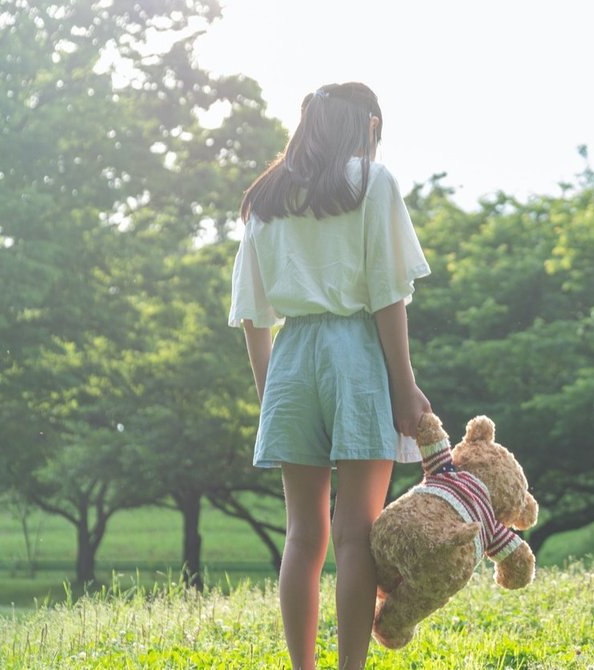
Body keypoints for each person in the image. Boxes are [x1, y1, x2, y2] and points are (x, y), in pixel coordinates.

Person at [228, 81, 431, 670]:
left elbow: (253, 311)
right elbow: (389, 293)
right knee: (356, 534)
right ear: (368, 125)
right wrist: (405, 383)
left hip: (291, 359)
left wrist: (270, 394)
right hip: (355, 353)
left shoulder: (267, 194)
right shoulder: (372, 182)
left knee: (302, 533)